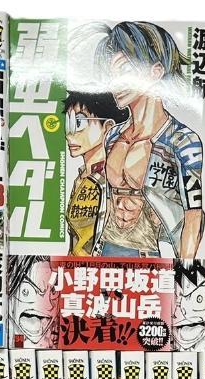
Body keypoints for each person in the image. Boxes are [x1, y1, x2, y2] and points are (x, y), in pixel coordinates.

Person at [90, 21, 205, 259]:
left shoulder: (182, 140)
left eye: (125, 71)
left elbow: (193, 214)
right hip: (105, 252)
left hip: (152, 257)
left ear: (156, 72)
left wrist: (186, 269)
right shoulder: (113, 135)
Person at [63, 89, 127, 255]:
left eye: (79, 123)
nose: (69, 135)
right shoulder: (81, 177)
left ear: (108, 127)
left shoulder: (113, 178)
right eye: (68, 124)